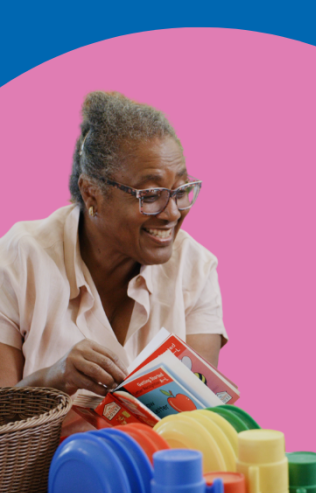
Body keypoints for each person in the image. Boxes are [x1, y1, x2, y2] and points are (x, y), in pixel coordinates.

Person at [0, 91, 226, 401]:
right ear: (92, 193)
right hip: (37, 452)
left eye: (181, 190)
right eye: (150, 195)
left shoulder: (195, 268)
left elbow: (197, 417)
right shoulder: (17, 260)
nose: (172, 212)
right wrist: (54, 378)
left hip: (154, 452)